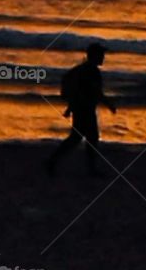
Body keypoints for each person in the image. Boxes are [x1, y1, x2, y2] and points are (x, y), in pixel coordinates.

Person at [46, 42, 116, 176]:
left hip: (81, 108)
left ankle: (53, 161)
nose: (103, 57)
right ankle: (89, 169)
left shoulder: (83, 69)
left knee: (78, 138)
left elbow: (80, 91)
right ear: (94, 56)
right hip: (85, 109)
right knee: (88, 138)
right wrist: (109, 104)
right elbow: (95, 92)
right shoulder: (92, 72)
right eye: (101, 55)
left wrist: (70, 108)